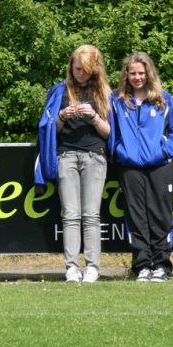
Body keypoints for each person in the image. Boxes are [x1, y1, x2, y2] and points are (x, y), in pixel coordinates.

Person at [34, 45, 113, 283]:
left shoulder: (105, 93)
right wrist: (62, 116)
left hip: (95, 156)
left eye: (85, 69)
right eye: (77, 68)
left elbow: (110, 133)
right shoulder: (59, 91)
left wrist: (93, 116)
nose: (80, 73)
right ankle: (71, 267)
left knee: (91, 215)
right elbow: (49, 131)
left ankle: (92, 267)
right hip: (66, 155)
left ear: (94, 69)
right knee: (70, 215)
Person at [109, 51, 173, 282]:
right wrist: (121, 152)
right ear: (126, 75)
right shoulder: (116, 100)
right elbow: (111, 132)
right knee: (136, 217)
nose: (137, 77)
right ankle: (141, 266)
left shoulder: (163, 98)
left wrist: (164, 152)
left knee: (161, 215)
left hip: (160, 166)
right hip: (129, 167)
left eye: (141, 73)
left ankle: (161, 265)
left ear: (148, 73)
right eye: (133, 73)